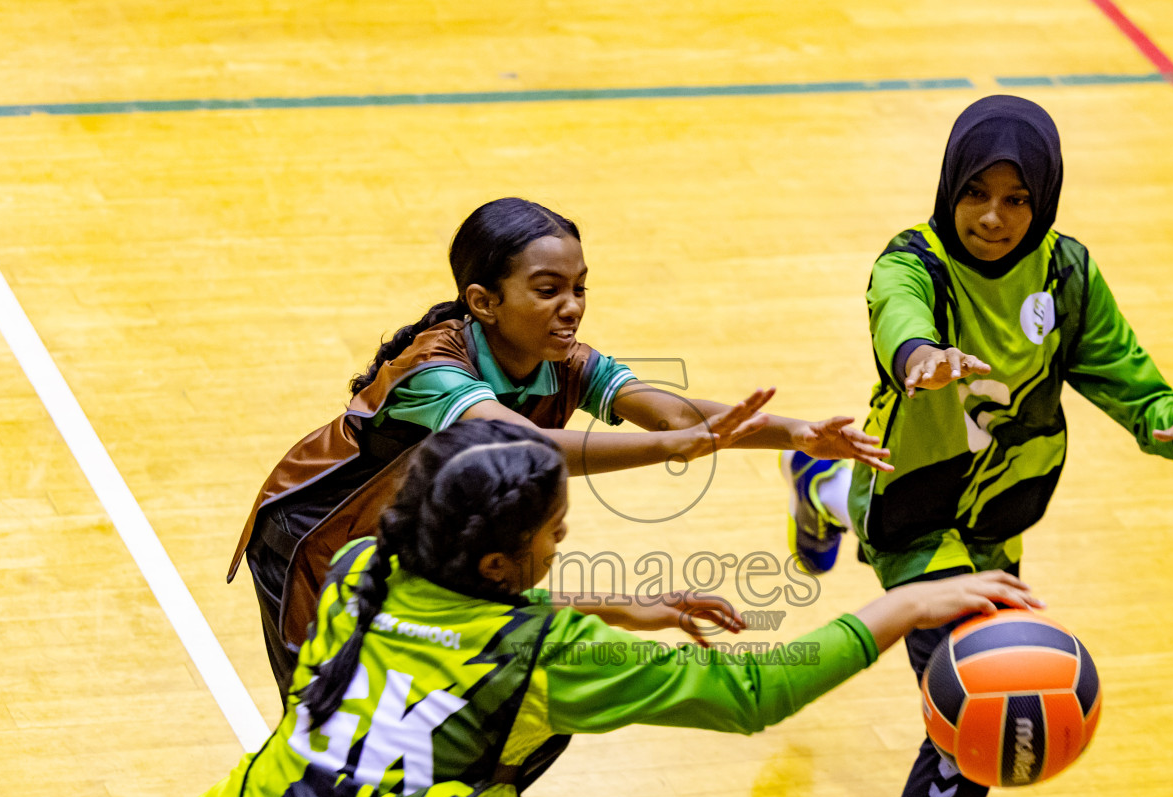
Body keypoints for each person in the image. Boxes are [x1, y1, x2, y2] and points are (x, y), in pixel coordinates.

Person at [138, 418, 1038, 797]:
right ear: (500, 559)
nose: (560, 543)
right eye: (555, 537)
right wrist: (908, 605)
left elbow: (461, 612)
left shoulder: (365, 568)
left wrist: (618, 607)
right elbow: (756, 693)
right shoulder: (549, 654)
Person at [780, 96, 1173, 797]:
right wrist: (919, 359)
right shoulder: (912, 262)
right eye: (976, 195)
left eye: (1016, 200)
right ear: (950, 187)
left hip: (999, 513)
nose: (992, 217)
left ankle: (821, 489)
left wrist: (1172, 421)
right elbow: (896, 317)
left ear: (1046, 203)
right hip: (922, 515)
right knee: (972, 725)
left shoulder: (1066, 273)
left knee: (868, 523)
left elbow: (1115, 362)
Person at [231, 197, 893, 702]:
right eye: (548, 290)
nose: (571, 307)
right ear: (484, 302)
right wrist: (674, 447)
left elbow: (667, 410)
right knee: (334, 715)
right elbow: (515, 443)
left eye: (579, 288)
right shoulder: (434, 367)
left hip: (410, 539)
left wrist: (795, 433)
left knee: (418, 698)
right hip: (317, 536)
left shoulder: (567, 363)